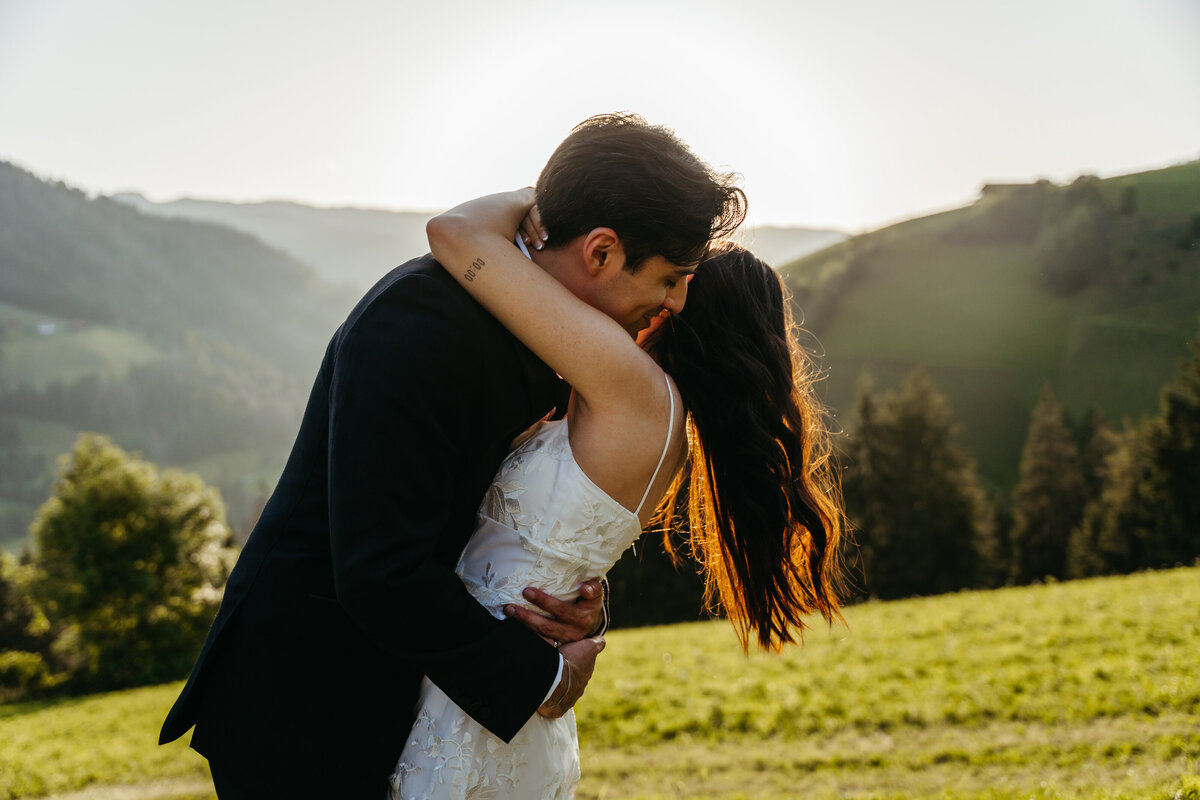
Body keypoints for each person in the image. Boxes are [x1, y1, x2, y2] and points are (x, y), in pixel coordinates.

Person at [158, 113, 745, 799]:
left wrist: (562, 602)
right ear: (602, 252)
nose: (675, 302)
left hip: (405, 690)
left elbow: (493, 515)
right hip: (310, 700)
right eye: (671, 277)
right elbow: (378, 569)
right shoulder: (421, 320)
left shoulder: (551, 337)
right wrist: (543, 679)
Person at [389, 189, 847, 798]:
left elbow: (455, 233)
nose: (663, 294)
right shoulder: (653, 416)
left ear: (679, 310)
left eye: (675, 277)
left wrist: (565, 193)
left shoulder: (632, 389)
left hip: (476, 695)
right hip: (499, 685)